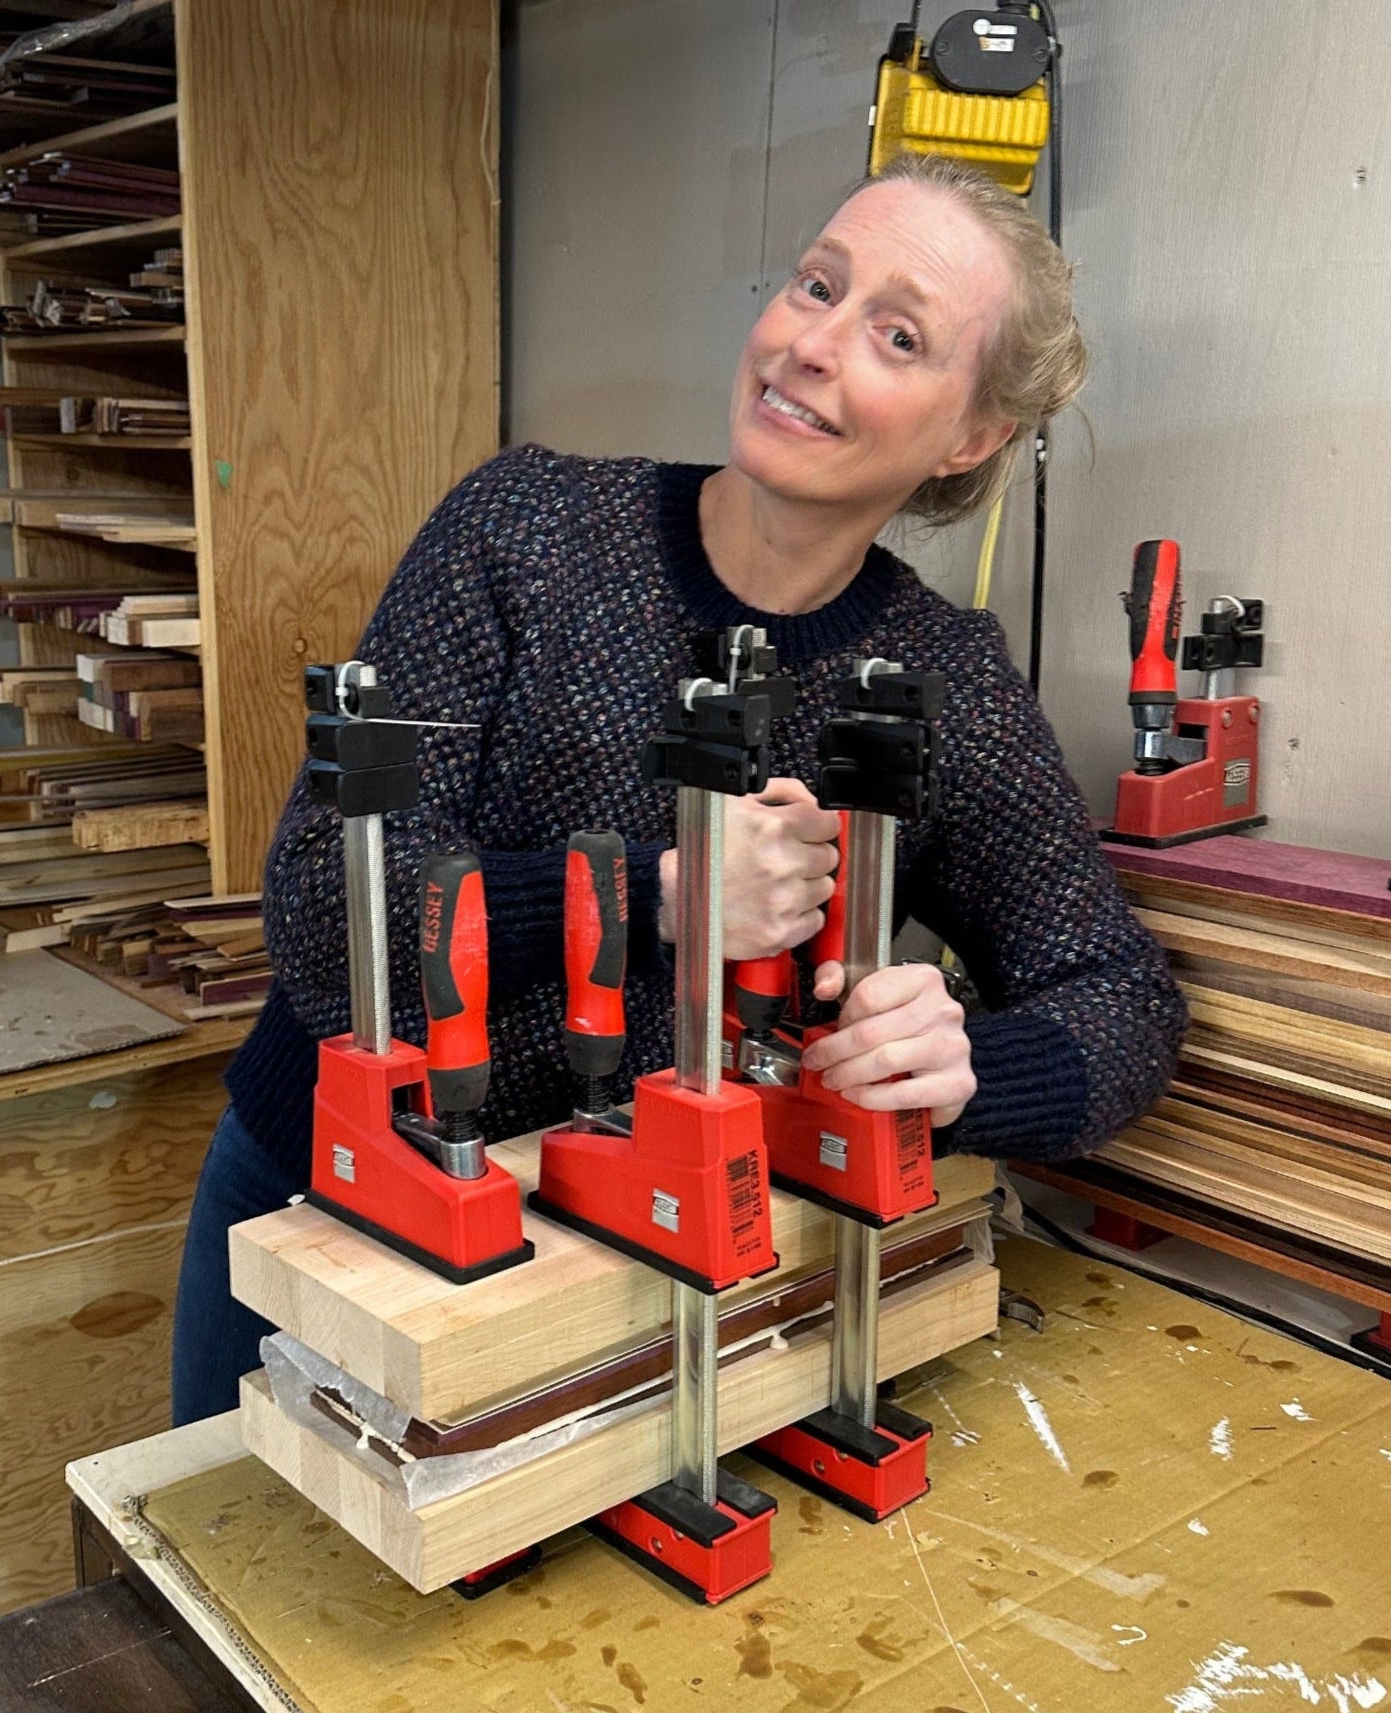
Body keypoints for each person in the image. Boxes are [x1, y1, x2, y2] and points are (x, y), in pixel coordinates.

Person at [170, 153, 1187, 1426]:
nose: (812, 343)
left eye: (897, 333)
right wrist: (651, 898)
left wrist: (965, 1070)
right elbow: (323, 905)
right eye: (817, 285)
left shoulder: (942, 679)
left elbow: (1123, 998)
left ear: (973, 434)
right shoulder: (525, 531)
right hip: (332, 1198)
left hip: (653, 1264)